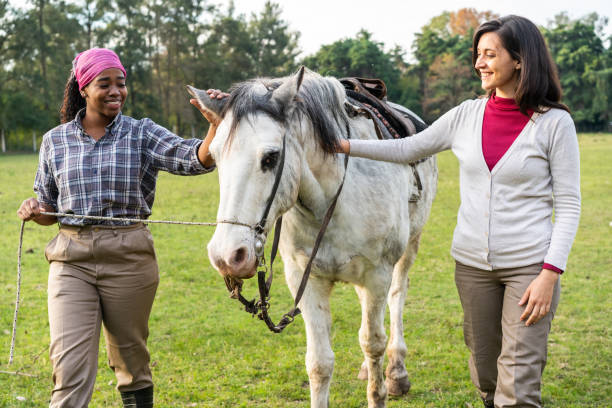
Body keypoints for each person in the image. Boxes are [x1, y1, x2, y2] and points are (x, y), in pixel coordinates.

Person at [337, 15, 580, 408]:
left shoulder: (555, 124)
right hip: (471, 267)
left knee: (518, 384)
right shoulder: (467, 114)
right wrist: (345, 145)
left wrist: (550, 273)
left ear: (519, 60)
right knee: (486, 374)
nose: (479, 63)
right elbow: (409, 148)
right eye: (478, 55)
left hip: (530, 268)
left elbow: (569, 205)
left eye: (489, 54)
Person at [16, 48, 225, 408]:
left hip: (130, 258)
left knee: (130, 362)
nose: (116, 91)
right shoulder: (55, 140)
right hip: (71, 260)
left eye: (121, 83)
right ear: (83, 88)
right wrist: (36, 209)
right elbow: (50, 206)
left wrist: (216, 124)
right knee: (68, 369)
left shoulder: (141, 133)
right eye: (105, 83)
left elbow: (196, 159)